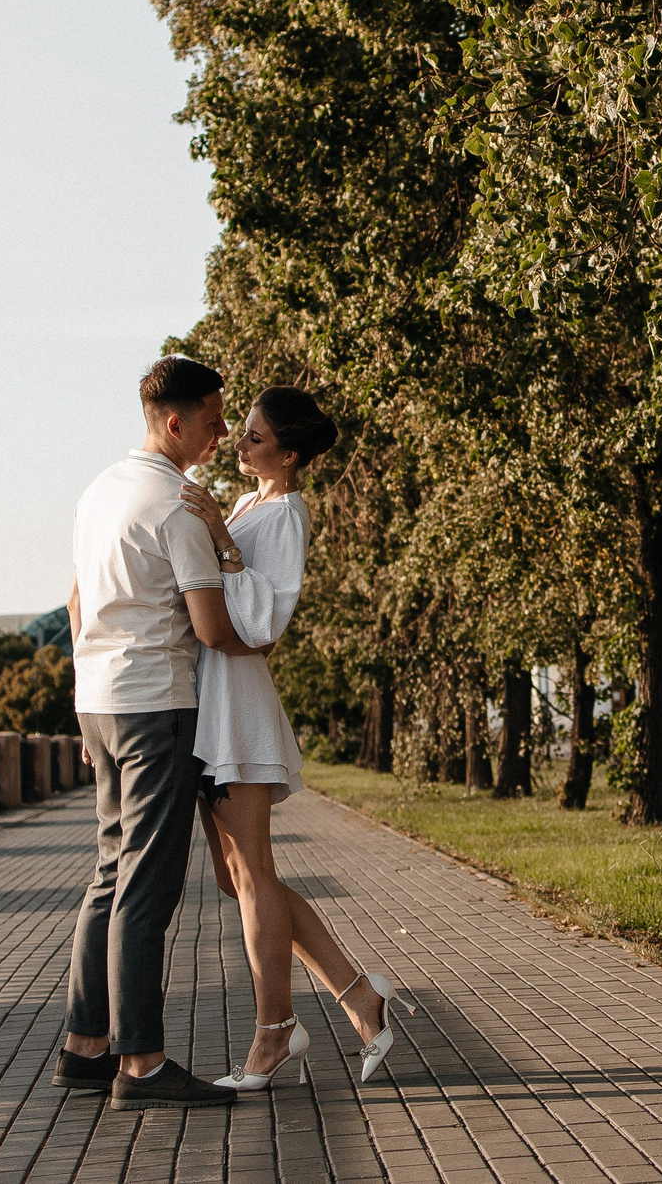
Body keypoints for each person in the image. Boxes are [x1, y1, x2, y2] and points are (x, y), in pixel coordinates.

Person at [183, 386, 417, 1092]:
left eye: (254, 437)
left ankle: (274, 1033)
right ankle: (358, 997)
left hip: (236, 700)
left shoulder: (283, 512)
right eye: (242, 431)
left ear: (287, 453)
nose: (239, 442)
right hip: (209, 696)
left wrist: (221, 540)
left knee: (252, 874)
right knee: (241, 877)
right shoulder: (252, 503)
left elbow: (267, 620)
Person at [53, 356, 264, 1109]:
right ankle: (140, 1061)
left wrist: (86, 699)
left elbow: (77, 603)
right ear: (174, 421)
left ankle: (86, 1045)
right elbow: (211, 626)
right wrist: (262, 639)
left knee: (111, 870)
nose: (219, 431)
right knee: (148, 884)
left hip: (99, 702)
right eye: (211, 418)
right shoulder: (178, 505)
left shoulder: (99, 490)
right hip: (154, 704)